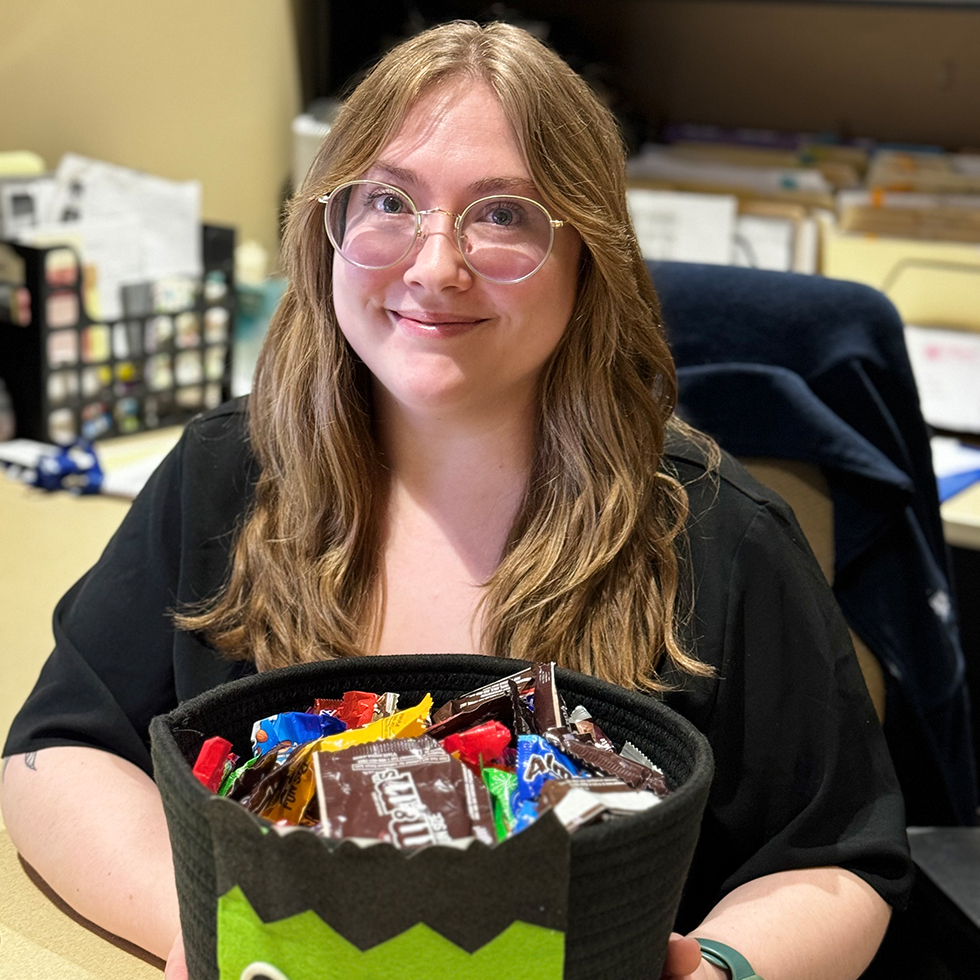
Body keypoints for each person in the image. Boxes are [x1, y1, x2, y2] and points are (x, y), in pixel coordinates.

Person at [1, 20, 910, 980]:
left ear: (588, 258)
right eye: (389, 200)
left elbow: (837, 865)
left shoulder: (717, 534)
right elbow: (56, 753)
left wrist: (721, 968)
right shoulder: (228, 470)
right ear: (331, 229)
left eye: (505, 214)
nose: (436, 266)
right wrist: (200, 925)